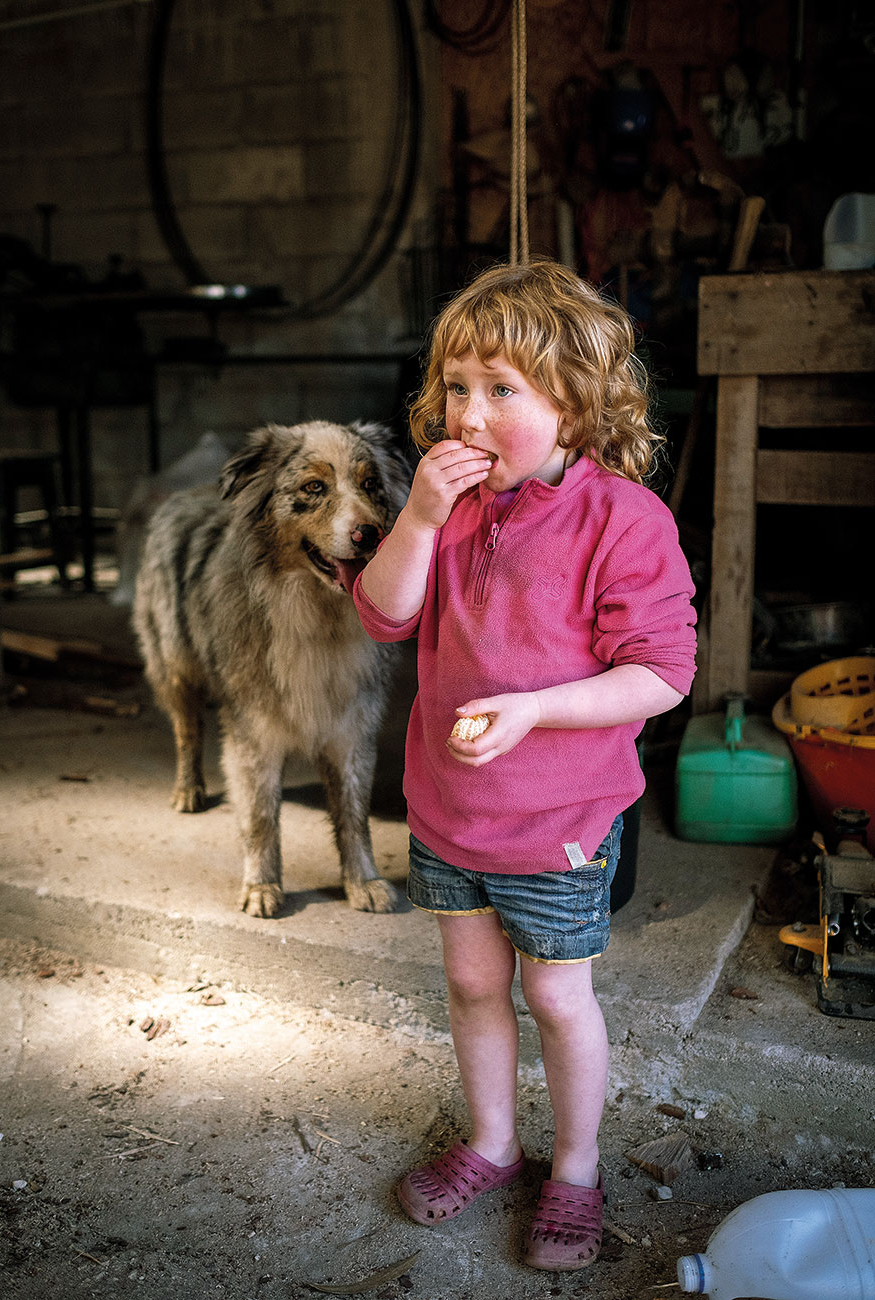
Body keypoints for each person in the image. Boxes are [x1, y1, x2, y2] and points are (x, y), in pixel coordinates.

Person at [353, 260, 696, 1272]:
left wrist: (538, 710)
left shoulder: (624, 521)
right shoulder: (447, 505)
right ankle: (496, 1142)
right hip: (449, 808)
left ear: (577, 403)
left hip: (561, 819)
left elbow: (662, 674)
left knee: (555, 995)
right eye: (457, 386)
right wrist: (415, 515)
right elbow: (383, 611)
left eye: (502, 390)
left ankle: (577, 1169)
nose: (468, 412)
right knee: (468, 982)